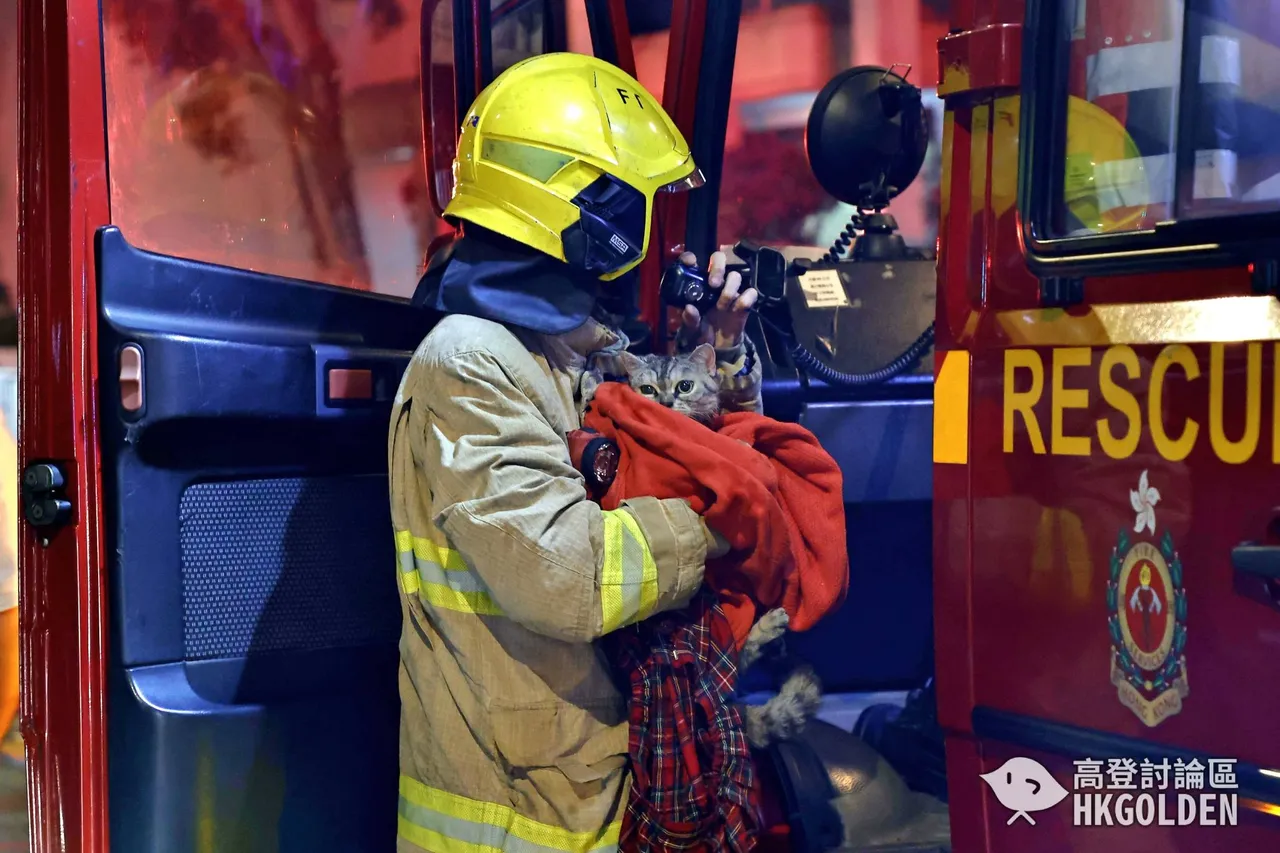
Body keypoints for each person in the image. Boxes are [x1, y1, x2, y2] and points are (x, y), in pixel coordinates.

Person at [388, 52, 761, 852]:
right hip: (507, 821)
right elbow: (567, 575)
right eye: (636, 209)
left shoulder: (556, 346)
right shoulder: (468, 360)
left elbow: (696, 440)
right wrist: (717, 526)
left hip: (577, 787)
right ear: (591, 213)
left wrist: (718, 352)